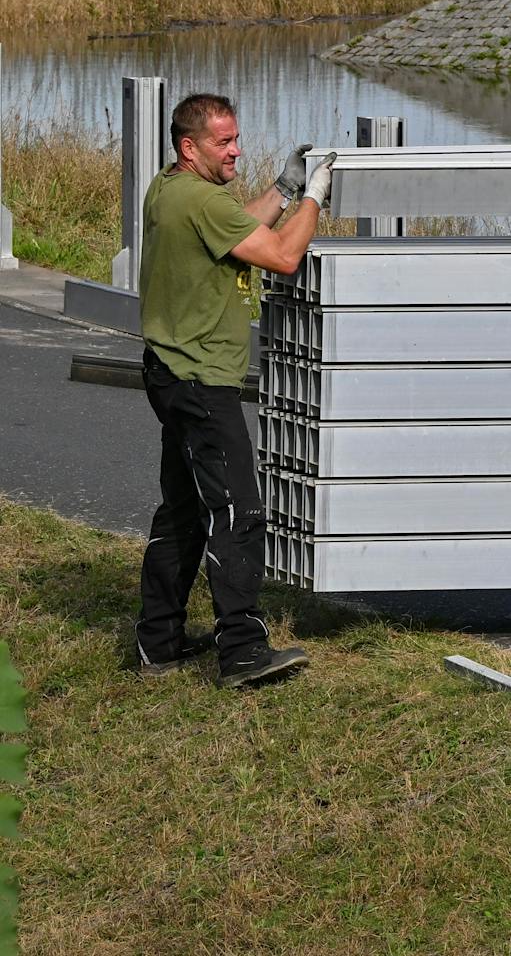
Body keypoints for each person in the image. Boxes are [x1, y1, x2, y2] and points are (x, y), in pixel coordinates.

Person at [135, 93, 334, 689]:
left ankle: (159, 643)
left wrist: (280, 187)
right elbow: (281, 254)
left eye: (237, 138)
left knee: (183, 513)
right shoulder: (201, 198)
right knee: (237, 511)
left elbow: (233, 227)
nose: (236, 149)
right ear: (188, 146)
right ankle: (243, 653)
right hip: (200, 380)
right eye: (224, 142)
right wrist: (313, 197)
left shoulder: (170, 188)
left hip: (168, 369)